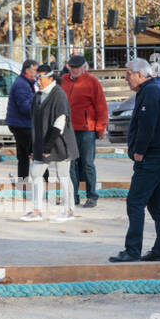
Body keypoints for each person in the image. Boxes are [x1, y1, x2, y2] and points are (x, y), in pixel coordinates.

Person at [109, 58, 160, 262]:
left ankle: (133, 249)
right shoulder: (148, 91)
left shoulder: (151, 92)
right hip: (157, 155)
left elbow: (147, 125)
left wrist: (139, 151)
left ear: (139, 74)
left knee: (135, 201)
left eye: (128, 74)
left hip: (152, 157)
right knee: (156, 205)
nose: (126, 79)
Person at [21, 62, 78, 222]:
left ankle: (69, 210)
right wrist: (35, 146)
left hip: (59, 142)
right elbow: (36, 124)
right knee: (36, 173)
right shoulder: (38, 96)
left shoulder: (58, 94)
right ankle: (37, 210)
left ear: (50, 78)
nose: (37, 81)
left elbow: (60, 122)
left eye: (40, 78)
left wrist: (48, 146)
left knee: (63, 175)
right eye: (36, 78)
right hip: (41, 142)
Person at [61, 54, 107, 209]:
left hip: (87, 129)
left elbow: (101, 106)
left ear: (83, 67)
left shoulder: (93, 82)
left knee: (87, 163)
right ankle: (72, 197)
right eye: (72, 67)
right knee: (71, 164)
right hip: (68, 129)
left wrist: (101, 128)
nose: (74, 70)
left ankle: (92, 196)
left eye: (77, 67)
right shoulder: (63, 81)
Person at [5, 59, 38, 188]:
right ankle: (43, 182)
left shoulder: (25, 83)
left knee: (24, 156)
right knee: (36, 155)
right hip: (22, 125)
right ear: (27, 70)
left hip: (21, 124)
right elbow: (25, 107)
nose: (36, 73)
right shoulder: (22, 84)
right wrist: (39, 111)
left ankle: (22, 183)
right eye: (35, 70)